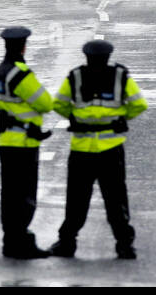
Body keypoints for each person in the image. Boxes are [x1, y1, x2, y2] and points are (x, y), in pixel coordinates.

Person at [50, 39, 148, 260]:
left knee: (76, 200)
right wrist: (121, 118)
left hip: (81, 149)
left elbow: (58, 104)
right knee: (115, 199)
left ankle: (67, 243)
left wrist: (74, 117)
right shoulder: (120, 77)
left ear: (86, 56)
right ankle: (124, 244)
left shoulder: (75, 77)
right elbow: (139, 104)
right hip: (110, 149)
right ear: (108, 56)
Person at [0, 26, 54, 259]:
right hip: (24, 143)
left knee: (9, 195)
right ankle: (21, 242)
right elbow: (45, 103)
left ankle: (11, 241)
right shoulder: (20, 73)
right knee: (25, 196)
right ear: (23, 47)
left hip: (6, 141)